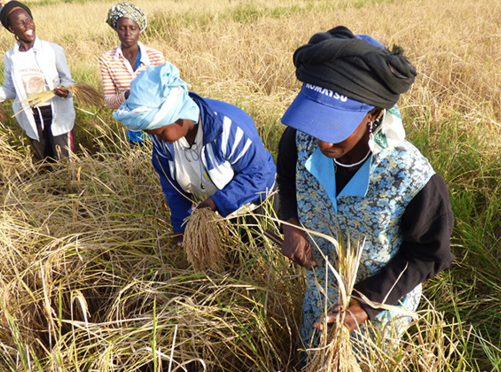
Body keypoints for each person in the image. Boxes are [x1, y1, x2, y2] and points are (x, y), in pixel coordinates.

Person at [276, 26, 455, 349]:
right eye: (316, 124)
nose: (323, 141)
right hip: (320, 293)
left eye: (335, 127)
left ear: (373, 113)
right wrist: (291, 222)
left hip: (379, 309)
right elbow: (287, 180)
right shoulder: (298, 139)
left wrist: (366, 302)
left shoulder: (410, 177)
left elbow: (429, 254)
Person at [114, 62, 277, 247]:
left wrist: (216, 203)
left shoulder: (229, 128)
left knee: (258, 252)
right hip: (220, 208)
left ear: (179, 116)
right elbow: (172, 186)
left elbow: (258, 175)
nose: (158, 139)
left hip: (258, 205)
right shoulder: (163, 143)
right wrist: (180, 226)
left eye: (160, 133)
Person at [0, 1, 75, 161]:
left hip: (57, 113)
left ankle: (72, 186)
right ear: (12, 28)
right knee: (47, 163)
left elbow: (67, 80)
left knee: (66, 163)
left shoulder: (52, 50)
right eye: (21, 23)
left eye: (29, 20)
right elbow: (10, 89)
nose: (28, 25)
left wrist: (65, 90)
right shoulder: (11, 57)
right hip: (32, 117)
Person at [99, 2, 165, 147]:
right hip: (134, 130)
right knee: (138, 166)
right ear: (116, 29)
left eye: (132, 28)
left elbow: (166, 91)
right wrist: (128, 95)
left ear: (139, 30)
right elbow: (110, 101)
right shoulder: (107, 60)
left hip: (160, 127)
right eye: (122, 28)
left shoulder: (155, 56)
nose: (128, 33)